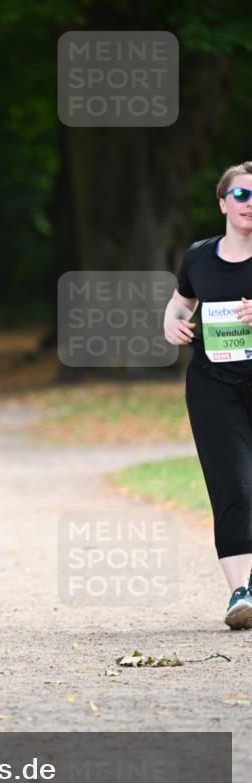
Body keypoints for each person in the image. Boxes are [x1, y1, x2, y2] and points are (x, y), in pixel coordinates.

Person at [163, 160, 252, 630]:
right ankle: (241, 591)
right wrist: (170, 322)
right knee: (232, 484)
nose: (249, 203)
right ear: (223, 203)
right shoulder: (200, 255)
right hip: (213, 385)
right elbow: (182, 300)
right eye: (241, 195)